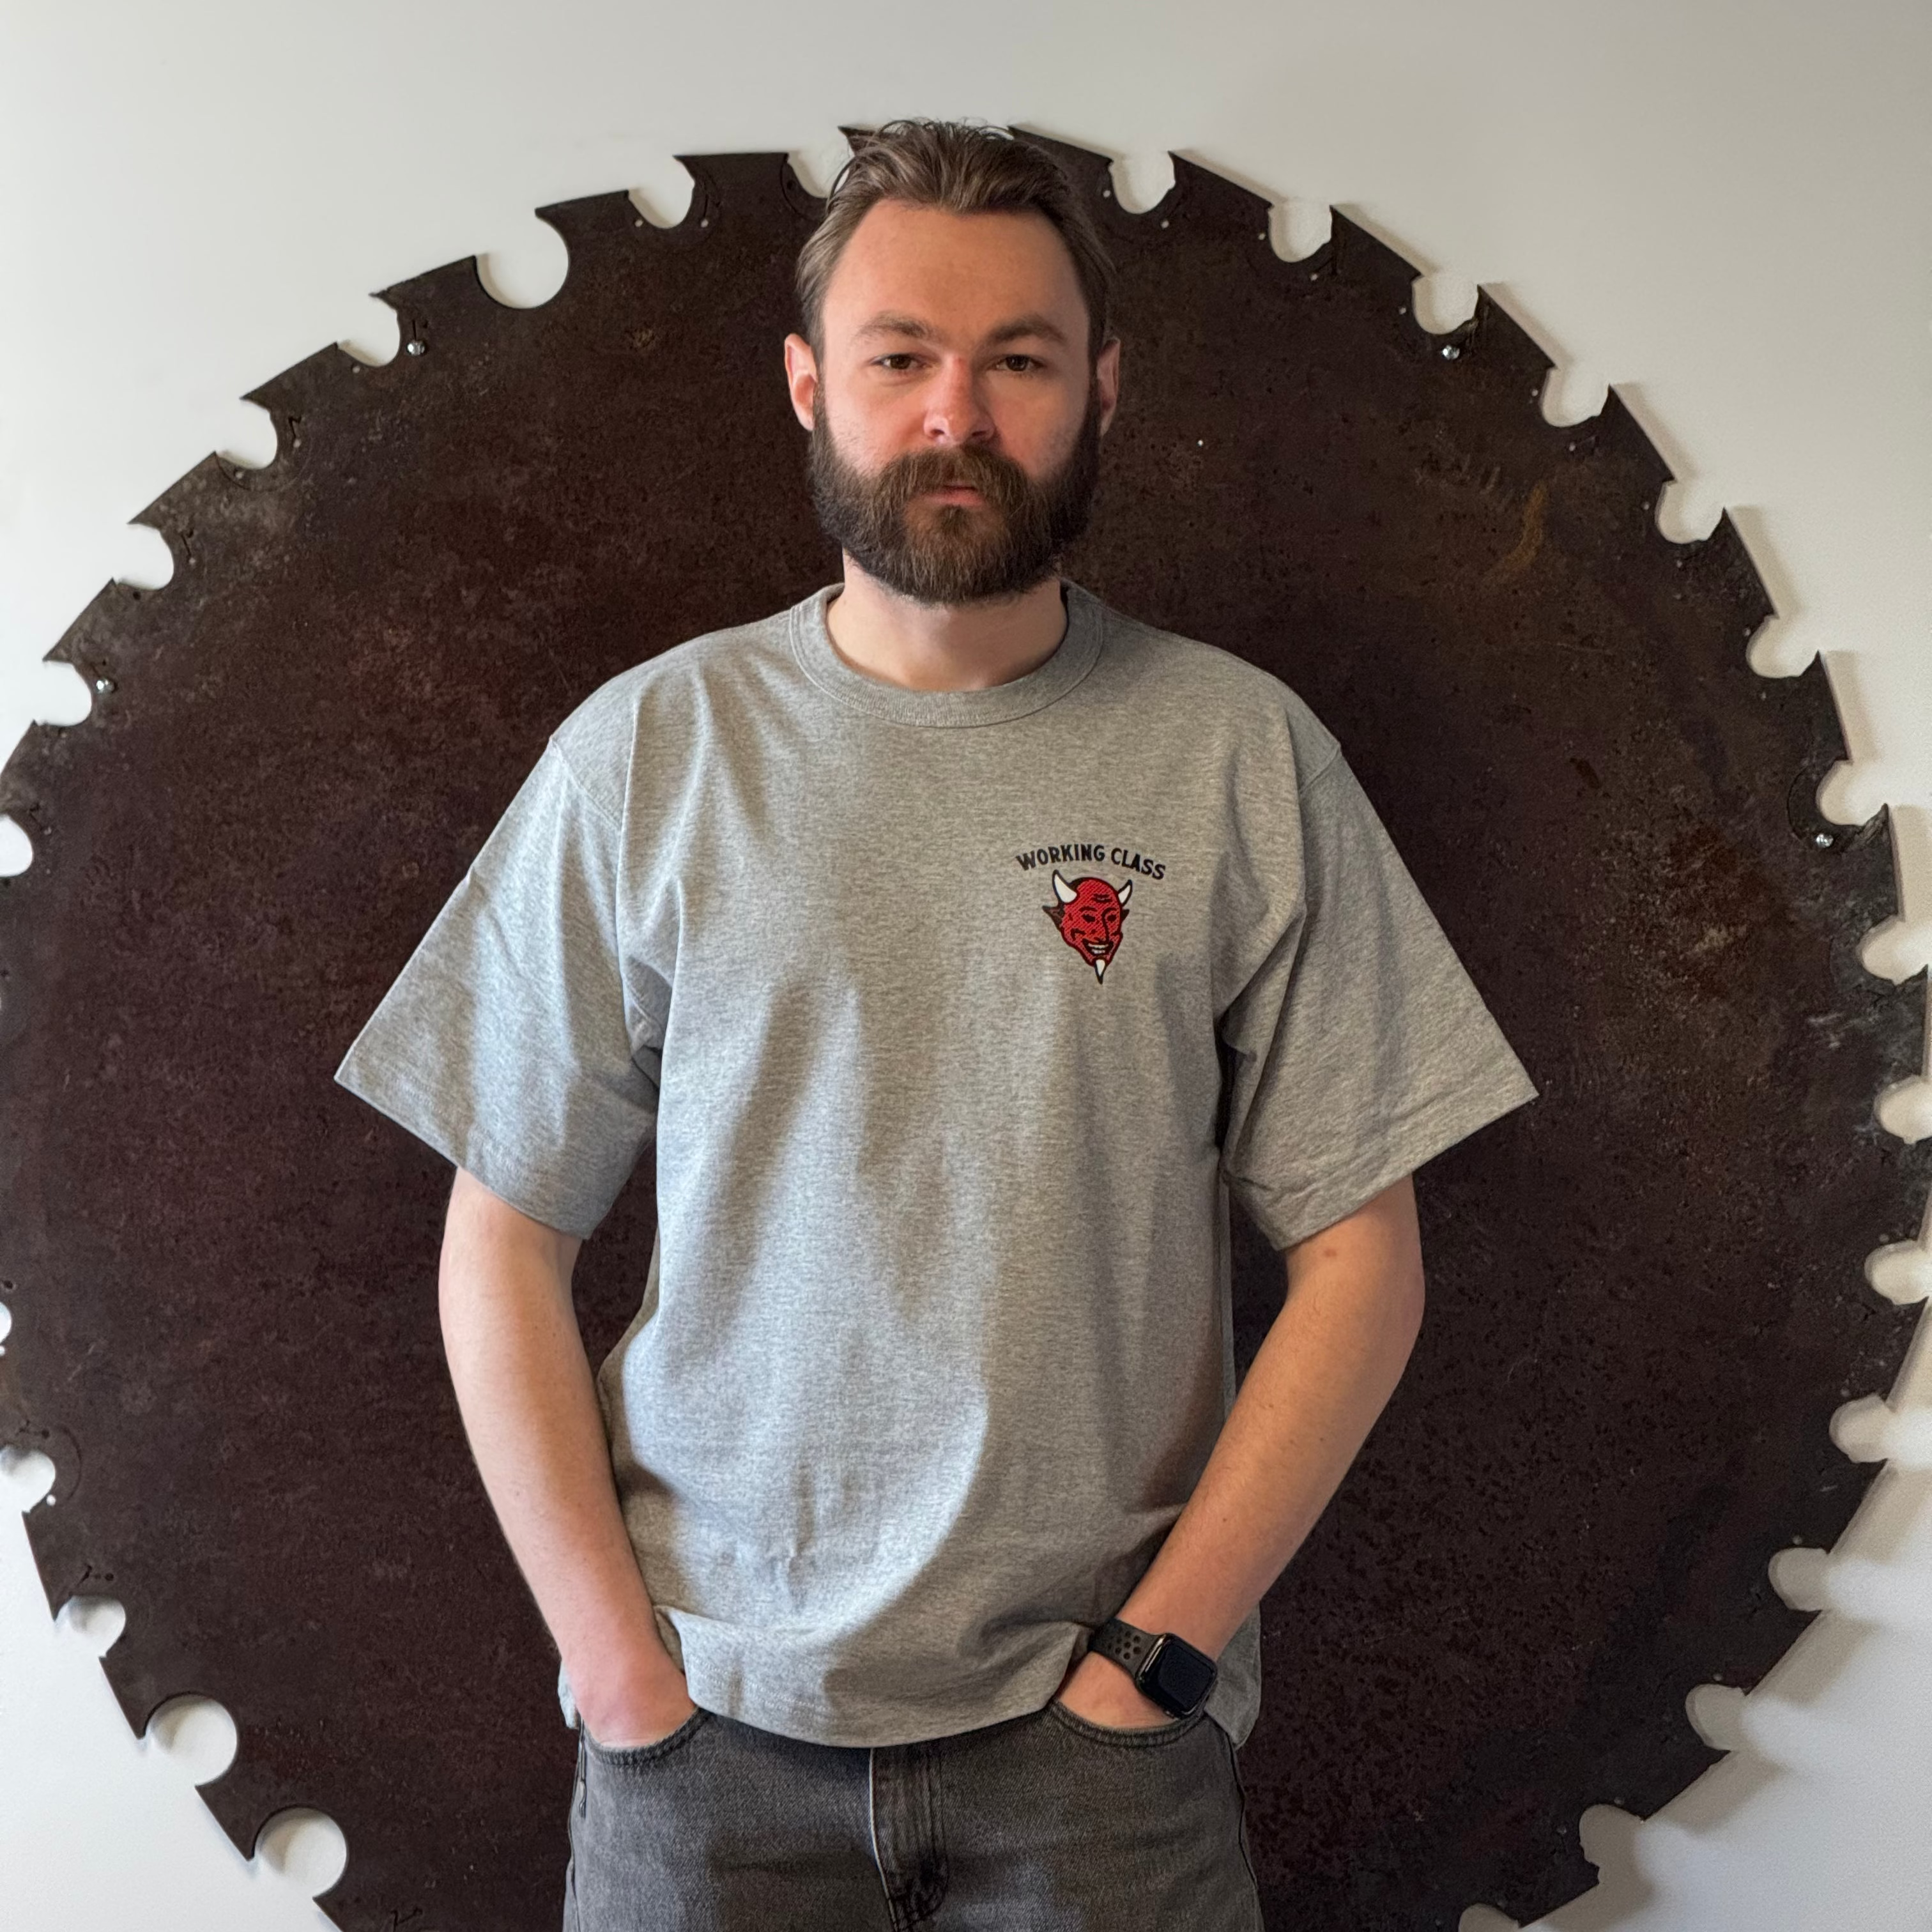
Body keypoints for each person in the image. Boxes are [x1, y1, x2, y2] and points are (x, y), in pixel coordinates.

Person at [335, 118, 1537, 1931]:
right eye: (901, 357)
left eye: (1019, 361)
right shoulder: (650, 755)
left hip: (1104, 1766)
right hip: (705, 1751)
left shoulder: (1240, 757)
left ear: (1102, 391)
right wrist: (617, 1671)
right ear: (811, 385)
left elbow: (1363, 1260)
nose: (956, 412)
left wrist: (1161, 1662)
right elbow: (501, 1237)